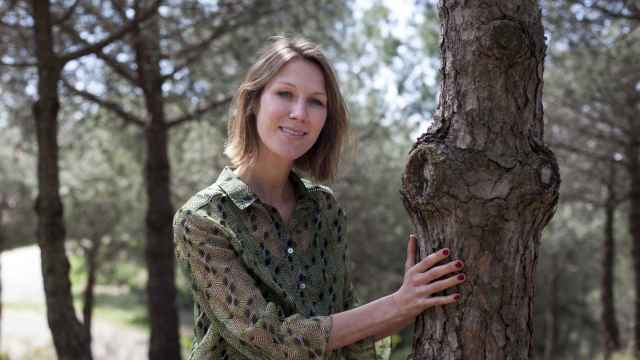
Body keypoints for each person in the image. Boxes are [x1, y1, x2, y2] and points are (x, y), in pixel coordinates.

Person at [173, 36, 465, 360]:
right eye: (285, 94)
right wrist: (398, 304)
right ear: (253, 102)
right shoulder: (202, 219)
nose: (300, 113)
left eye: (316, 101)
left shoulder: (324, 208)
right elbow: (271, 341)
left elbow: (347, 333)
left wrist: (409, 306)